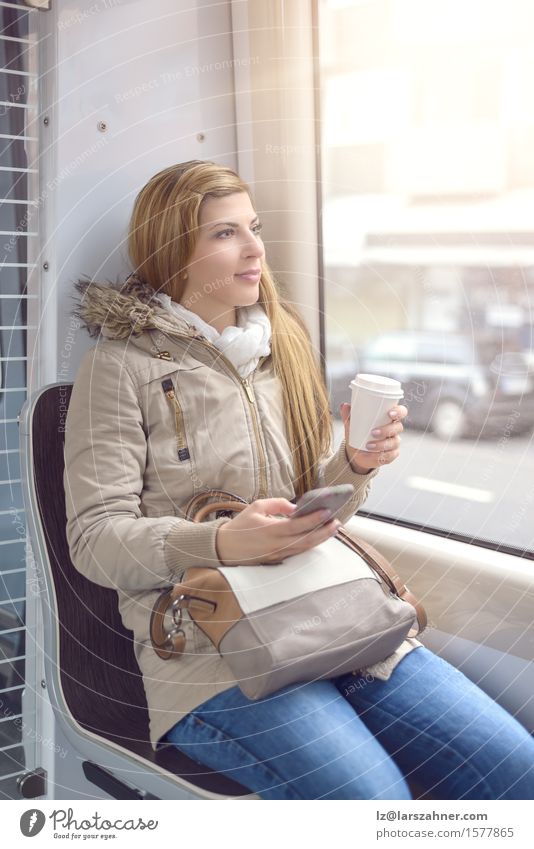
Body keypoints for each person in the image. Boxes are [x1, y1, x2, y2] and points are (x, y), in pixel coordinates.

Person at [63, 159, 534, 800]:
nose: (257, 247)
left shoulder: (282, 347)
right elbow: (95, 538)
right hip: (211, 650)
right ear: (175, 251)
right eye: (224, 233)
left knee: (515, 767)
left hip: (330, 617)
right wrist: (224, 544)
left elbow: (310, 498)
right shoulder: (119, 367)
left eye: (253, 226)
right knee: (375, 805)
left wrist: (355, 467)